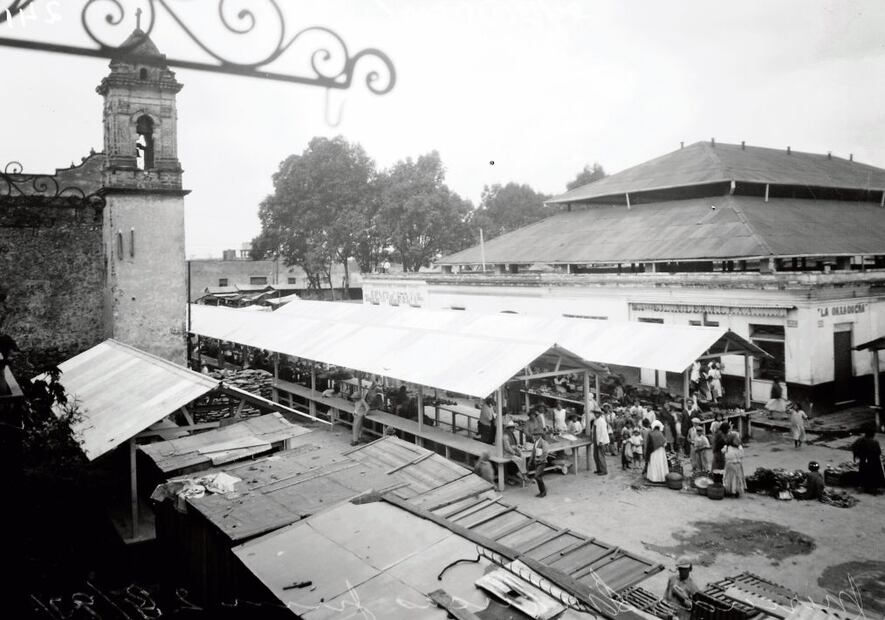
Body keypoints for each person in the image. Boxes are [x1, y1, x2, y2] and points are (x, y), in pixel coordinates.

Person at [852, 425, 885, 495]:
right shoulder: (874, 442)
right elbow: (878, 452)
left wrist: (857, 455)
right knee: (874, 474)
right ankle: (873, 488)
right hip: (873, 461)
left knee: (863, 472)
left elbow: (854, 446)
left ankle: (863, 486)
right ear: (872, 434)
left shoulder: (860, 440)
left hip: (863, 460)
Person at [501, 418, 527, 484]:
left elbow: (515, 444)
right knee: (519, 460)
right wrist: (515, 453)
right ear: (509, 428)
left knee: (523, 456)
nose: (513, 429)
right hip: (506, 454)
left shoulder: (511, 434)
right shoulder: (505, 436)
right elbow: (507, 448)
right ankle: (521, 474)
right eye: (512, 427)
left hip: (513, 451)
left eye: (513, 427)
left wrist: (518, 448)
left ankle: (523, 473)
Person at [530, 433, 552, 497]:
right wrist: (530, 460)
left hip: (542, 462)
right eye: (534, 435)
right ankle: (543, 490)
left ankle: (543, 492)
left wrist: (540, 460)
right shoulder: (536, 442)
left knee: (537, 476)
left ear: (539, 435)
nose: (534, 436)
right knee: (539, 476)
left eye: (536, 435)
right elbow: (533, 452)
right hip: (537, 461)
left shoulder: (544, 442)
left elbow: (545, 453)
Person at [593, 408, 610, 475]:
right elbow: (594, 431)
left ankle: (604, 470)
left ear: (600, 414)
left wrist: (601, 441)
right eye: (595, 413)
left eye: (597, 413)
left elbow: (603, 432)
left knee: (601, 456)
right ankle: (599, 469)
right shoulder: (595, 420)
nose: (596, 414)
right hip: (596, 440)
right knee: (596, 456)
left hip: (601, 441)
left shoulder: (602, 421)